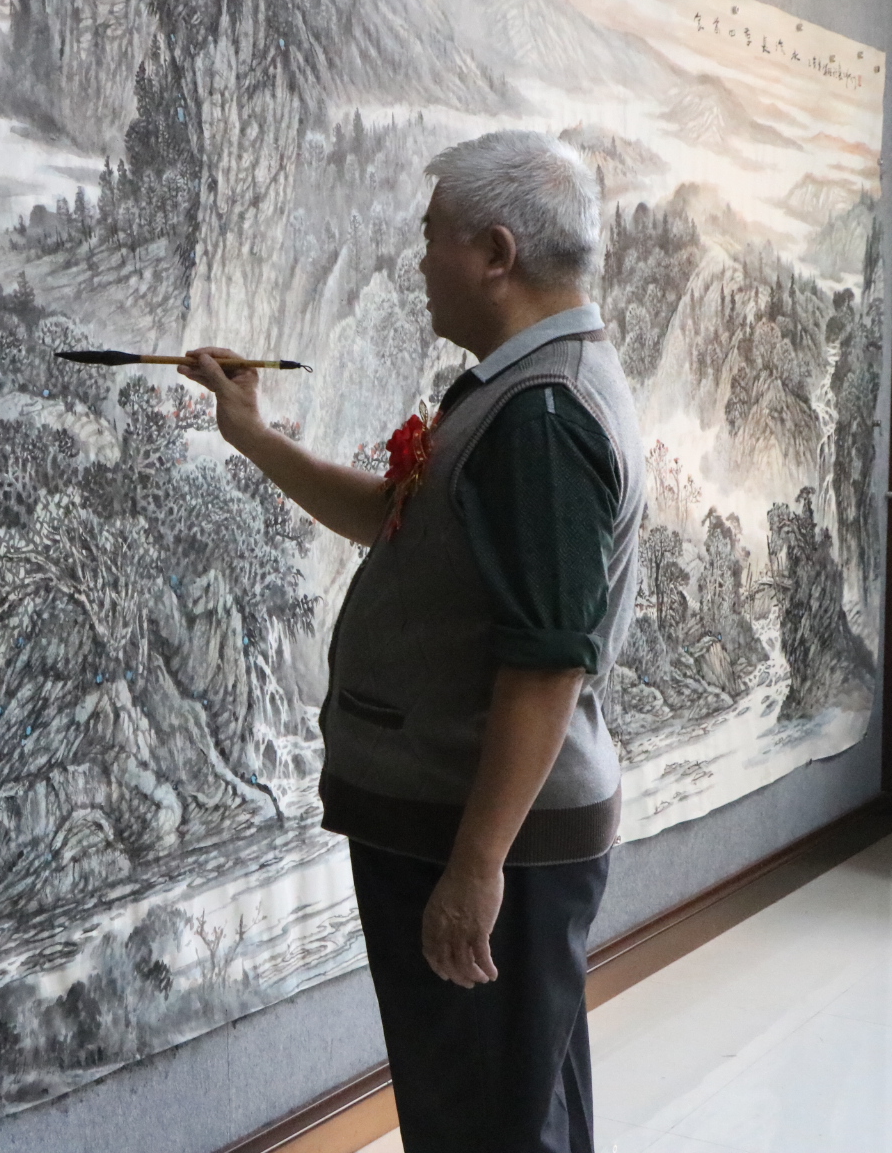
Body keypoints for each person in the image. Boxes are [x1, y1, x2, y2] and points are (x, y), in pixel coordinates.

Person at [179, 130, 644, 1153]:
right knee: (512, 1109)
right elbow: (391, 516)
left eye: (433, 235)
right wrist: (254, 434)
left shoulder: (543, 414)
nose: (419, 258)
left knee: (483, 1123)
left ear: (496, 252)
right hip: (463, 823)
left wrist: (476, 869)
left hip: (477, 833)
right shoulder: (519, 389)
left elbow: (546, 663)